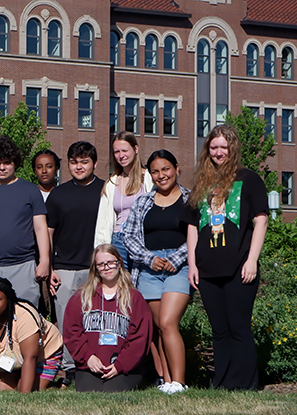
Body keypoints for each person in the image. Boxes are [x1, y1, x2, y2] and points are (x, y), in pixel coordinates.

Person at [184, 125, 268, 391]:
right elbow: (192, 226)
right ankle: (222, 383)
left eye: (223, 147)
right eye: (214, 147)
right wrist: (192, 264)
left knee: (239, 328)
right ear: (207, 149)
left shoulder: (249, 179)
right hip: (207, 270)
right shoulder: (201, 183)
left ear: (232, 148)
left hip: (239, 267)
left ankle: (245, 385)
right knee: (219, 331)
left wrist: (252, 259)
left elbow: (261, 220)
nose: (219, 152)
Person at [125, 150, 191, 394]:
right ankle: (166, 379)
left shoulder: (190, 199)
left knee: (168, 322)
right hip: (149, 269)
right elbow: (130, 236)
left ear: (176, 168)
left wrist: (175, 258)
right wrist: (149, 259)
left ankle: (180, 382)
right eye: (155, 171)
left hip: (179, 267)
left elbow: (197, 235)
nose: (161, 175)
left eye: (166, 169)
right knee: (157, 326)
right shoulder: (143, 201)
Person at [46, 141, 105, 376]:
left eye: (84, 162)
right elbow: (48, 234)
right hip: (64, 269)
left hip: (97, 269)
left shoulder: (106, 190)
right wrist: (49, 268)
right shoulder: (58, 194)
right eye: (74, 162)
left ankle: (95, 365)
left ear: (95, 163)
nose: (79, 166)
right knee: (67, 321)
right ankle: (68, 368)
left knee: (97, 320)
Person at [0, 135, 50, 306]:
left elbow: (41, 228)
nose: (2, 167)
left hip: (24, 265)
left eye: (7, 163)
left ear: (15, 163)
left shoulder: (31, 191)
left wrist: (44, 260)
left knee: (25, 318)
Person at [62, 244, 153, 392]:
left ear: (119, 263)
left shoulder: (134, 297)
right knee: (90, 394)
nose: (107, 267)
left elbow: (140, 338)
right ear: (95, 268)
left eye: (111, 262)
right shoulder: (82, 296)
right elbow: (71, 331)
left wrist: (120, 365)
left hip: (125, 368)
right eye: (101, 264)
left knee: (111, 392)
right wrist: (88, 357)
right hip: (90, 366)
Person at [0, 278, 63, 393]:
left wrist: (23, 397)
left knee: (25, 387)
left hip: (43, 357)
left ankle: (56, 385)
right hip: (11, 361)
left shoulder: (24, 315)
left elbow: (30, 358)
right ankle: (20, 378)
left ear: (8, 299)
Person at [95, 131, 153, 269]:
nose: (121, 156)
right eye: (116, 152)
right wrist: (101, 249)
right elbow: (103, 221)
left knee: (142, 284)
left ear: (136, 149)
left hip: (142, 239)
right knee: (121, 286)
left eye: (125, 150)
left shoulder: (149, 178)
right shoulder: (112, 182)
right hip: (118, 240)